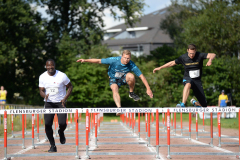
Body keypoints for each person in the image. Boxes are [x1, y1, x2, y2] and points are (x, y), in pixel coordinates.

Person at [76, 50, 153, 115]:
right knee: (114, 89)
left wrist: (148, 89)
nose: (126, 60)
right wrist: (85, 60)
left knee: (131, 76)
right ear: (121, 56)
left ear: (130, 58)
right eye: (125, 58)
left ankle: (131, 92)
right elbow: (99, 60)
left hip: (123, 78)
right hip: (113, 78)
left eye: (128, 58)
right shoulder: (114, 60)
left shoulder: (131, 64)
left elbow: (141, 76)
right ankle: (119, 108)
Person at [39, 59, 73, 153]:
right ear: (46, 66)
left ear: (54, 65)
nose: (50, 67)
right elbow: (41, 90)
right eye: (48, 66)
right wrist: (44, 95)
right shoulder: (42, 76)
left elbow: (70, 86)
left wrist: (65, 98)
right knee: (47, 124)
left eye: (52, 65)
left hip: (60, 102)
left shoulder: (62, 75)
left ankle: (61, 132)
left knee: (62, 123)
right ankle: (52, 146)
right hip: (49, 103)